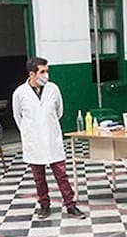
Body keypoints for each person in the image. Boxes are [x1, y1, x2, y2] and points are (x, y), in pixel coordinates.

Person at [12, 57, 87, 220]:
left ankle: (71, 205)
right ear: (32, 74)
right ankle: (44, 205)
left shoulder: (53, 89)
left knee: (61, 175)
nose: (46, 75)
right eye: (43, 71)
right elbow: (18, 117)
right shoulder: (19, 93)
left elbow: (59, 111)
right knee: (39, 177)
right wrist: (30, 132)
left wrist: (48, 125)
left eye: (47, 71)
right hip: (34, 141)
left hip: (52, 139)